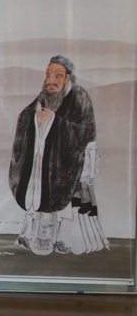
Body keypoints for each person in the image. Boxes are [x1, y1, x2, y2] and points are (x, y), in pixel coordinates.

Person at [9, 55, 109, 255]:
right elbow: (26, 115)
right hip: (45, 163)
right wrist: (35, 118)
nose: (51, 80)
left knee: (72, 205)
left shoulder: (79, 96)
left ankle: (68, 241)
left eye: (57, 76)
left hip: (71, 163)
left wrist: (54, 120)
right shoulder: (45, 95)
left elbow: (83, 130)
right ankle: (33, 236)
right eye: (48, 75)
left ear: (68, 78)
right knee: (40, 197)